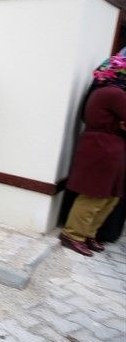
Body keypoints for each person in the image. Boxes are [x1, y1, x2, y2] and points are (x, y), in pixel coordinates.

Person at [59, 54, 126, 256]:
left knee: (110, 196)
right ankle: (73, 234)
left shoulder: (109, 92)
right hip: (103, 147)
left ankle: (88, 233)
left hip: (109, 146)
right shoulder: (114, 93)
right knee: (95, 194)